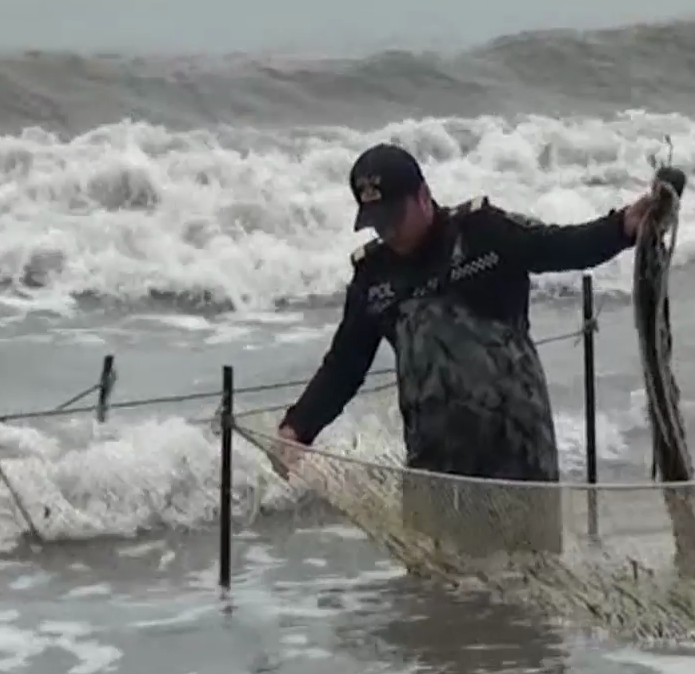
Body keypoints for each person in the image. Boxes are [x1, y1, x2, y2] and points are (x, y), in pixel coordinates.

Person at [276, 142, 656, 556]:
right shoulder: (372, 278)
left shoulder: (483, 232)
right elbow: (345, 365)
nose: (387, 231)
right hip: (434, 467)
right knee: (438, 600)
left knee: (530, 590)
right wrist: (299, 427)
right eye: (376, 222)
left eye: (394, 217)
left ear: (423, 195)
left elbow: (560, 246)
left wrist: (622, 227)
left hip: (519, 455)